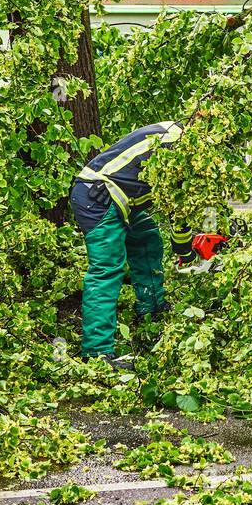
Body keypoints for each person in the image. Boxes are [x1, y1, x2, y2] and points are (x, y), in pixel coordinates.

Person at [70, 121, 184, 367]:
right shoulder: (179, 147)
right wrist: (185, 251)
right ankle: (97, 352)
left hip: (117, 200)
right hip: (97, 197)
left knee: (147, 238)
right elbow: (180, 206)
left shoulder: (173, 130)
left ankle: (152, 310)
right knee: (106, 270)